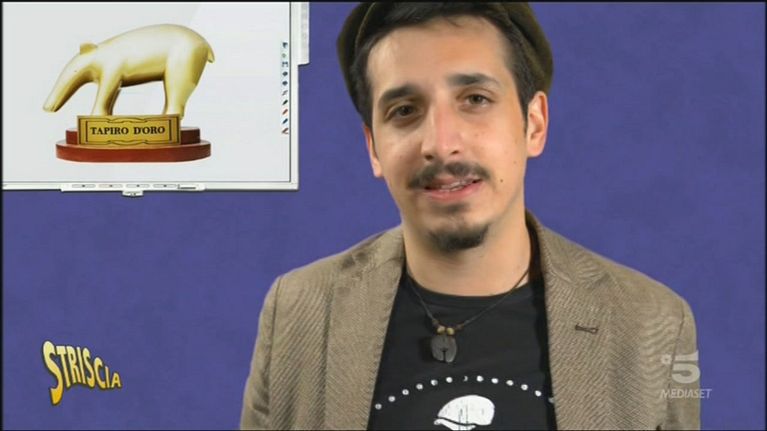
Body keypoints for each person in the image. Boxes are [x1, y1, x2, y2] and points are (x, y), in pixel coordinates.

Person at [240, 3, 700, 430]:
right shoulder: (297, 312)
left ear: (534, 124)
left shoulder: (652, 323)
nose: (441, 144)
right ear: (373, 147)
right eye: (404, 111)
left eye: (475, 99)